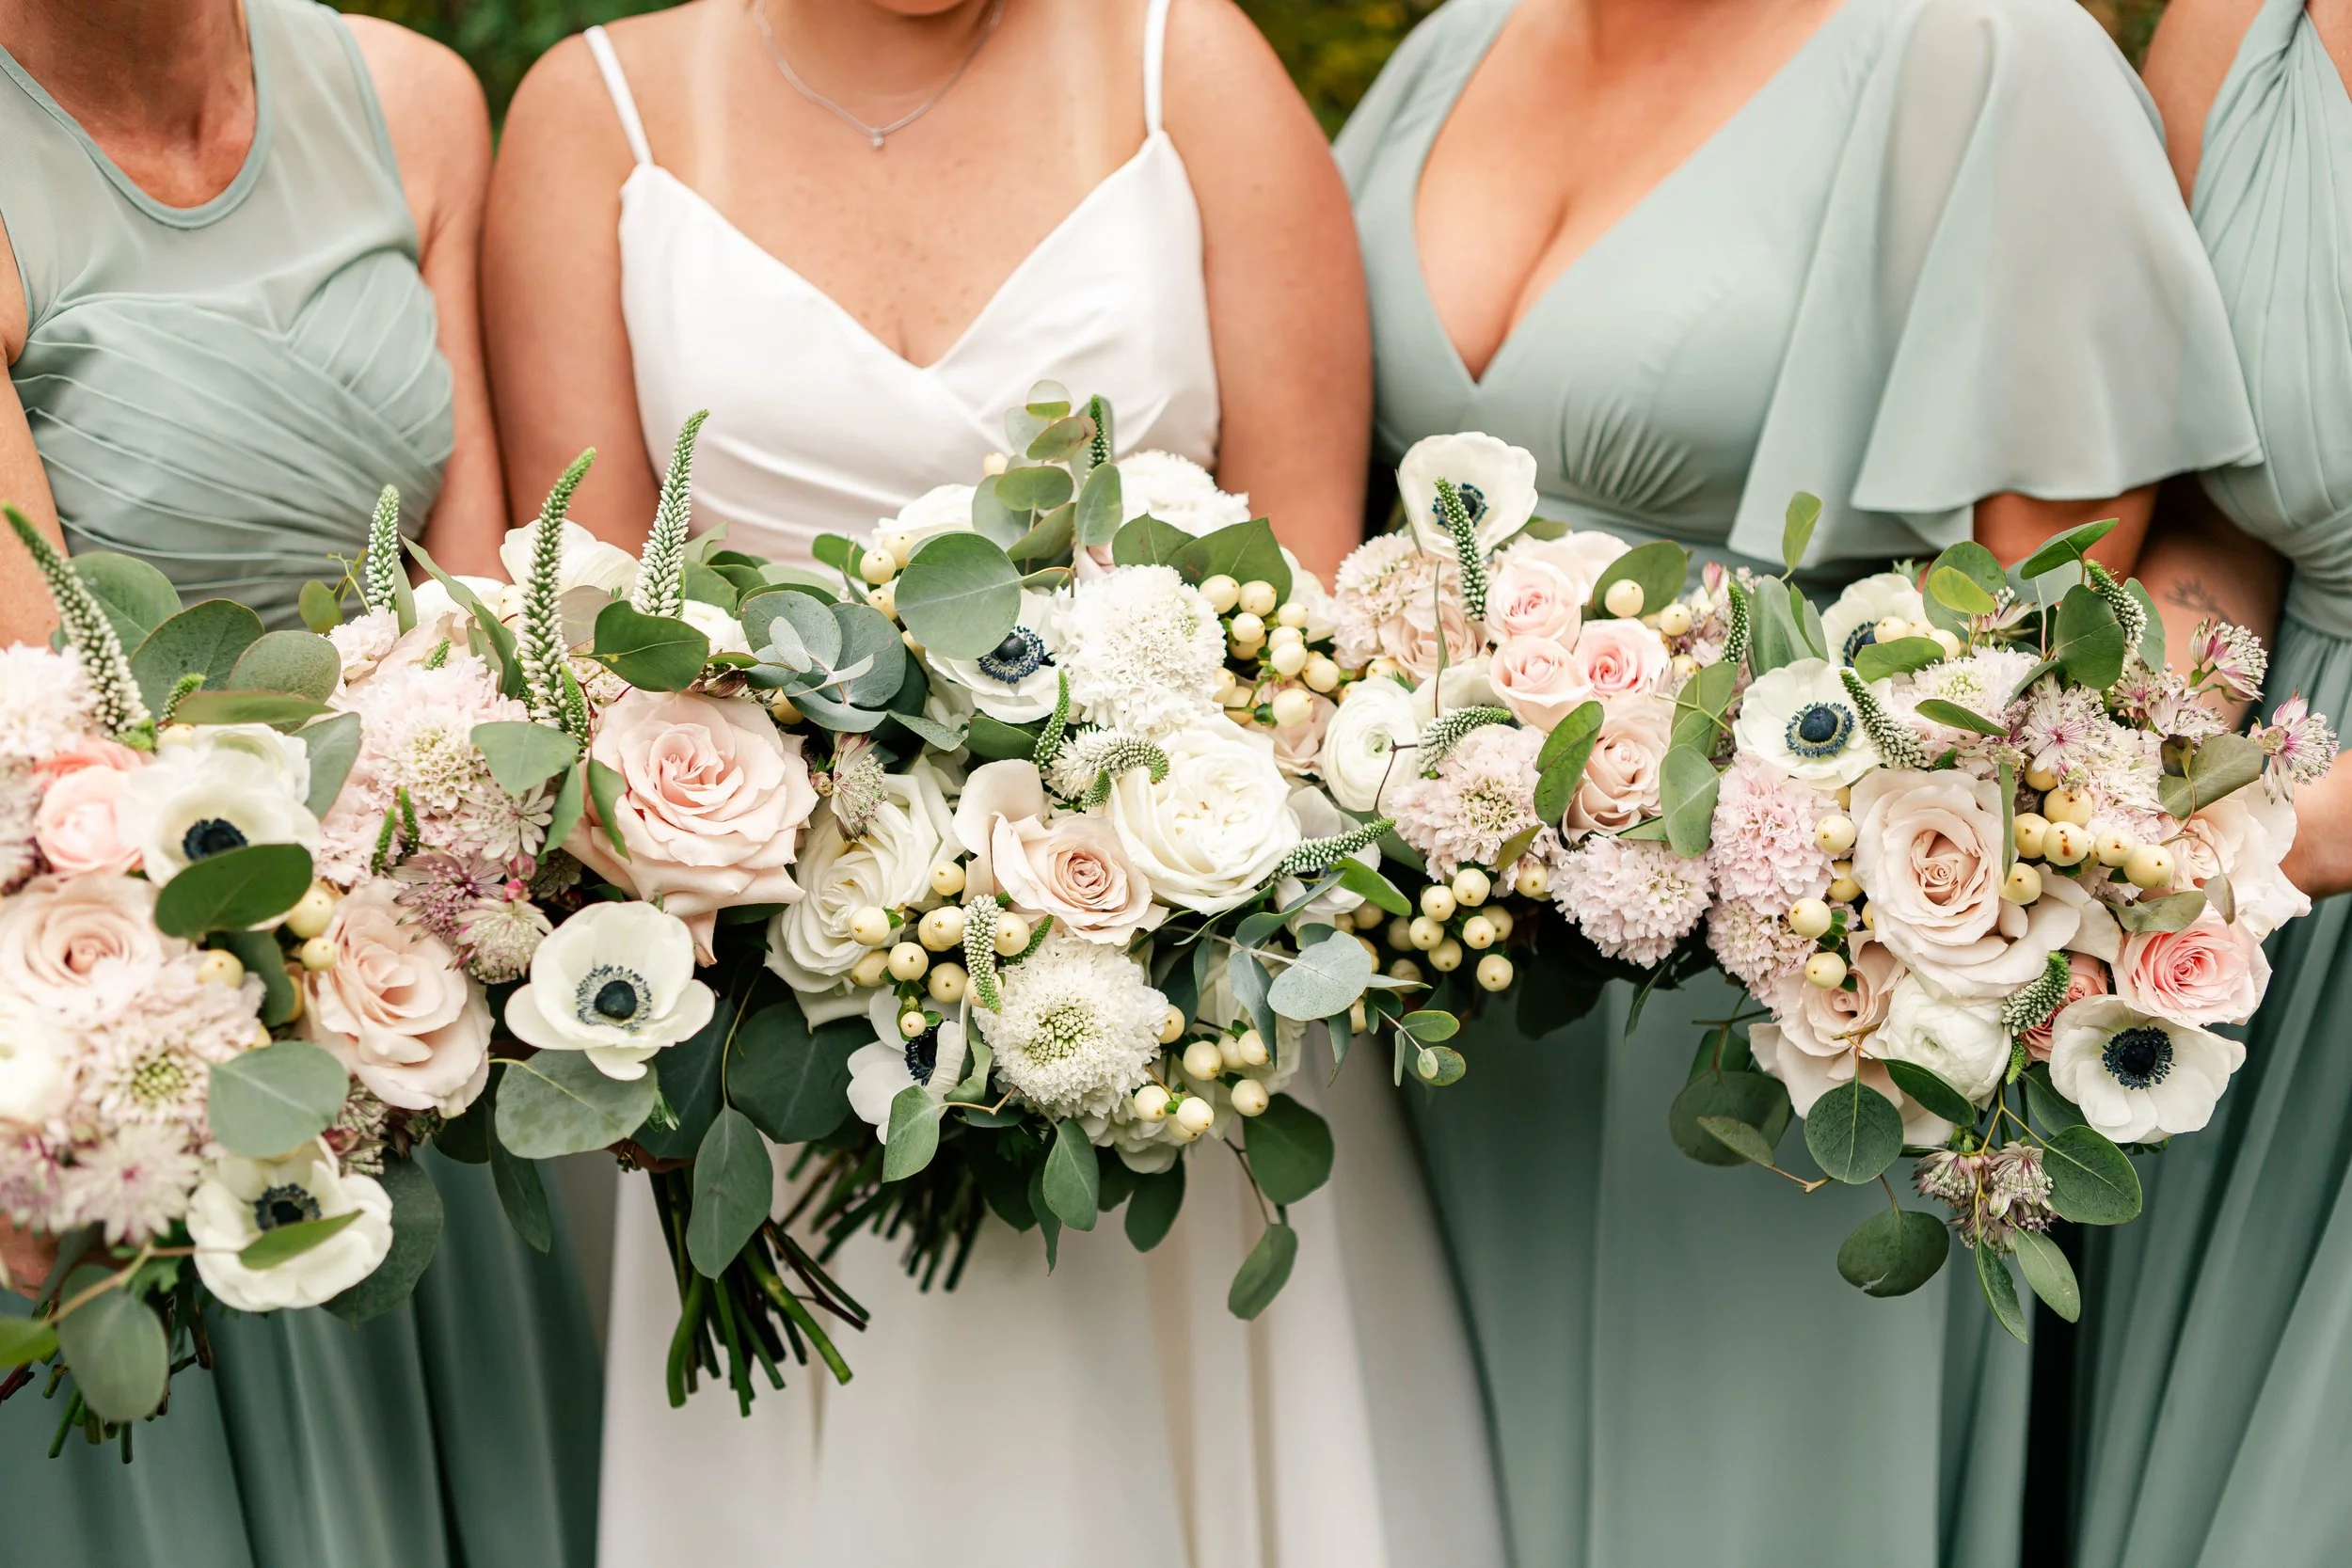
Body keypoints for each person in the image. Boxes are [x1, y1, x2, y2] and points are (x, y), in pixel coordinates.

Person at [483, 2, 1499, 1562]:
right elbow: (598, 646)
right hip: (791, 1049)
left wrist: (1130, 904)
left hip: (1185, 1039)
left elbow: (1317, 615)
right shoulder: (593, 113)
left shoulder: (1190, 62)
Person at [1335, 0, 2260, 1562]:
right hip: (1445, 1004)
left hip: (1769, 1037)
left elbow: (2045, 662)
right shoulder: (1460, 42)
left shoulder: (1988, 57)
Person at [0, 3, 599, 1564]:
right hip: (130, 1019)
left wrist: (443, 950)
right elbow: (40, 730)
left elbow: (483, 648)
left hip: (413, 1006)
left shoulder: (413, 102)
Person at [2065, 2, 2352, 1561]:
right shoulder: (2243, 28)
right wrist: (2156, 759)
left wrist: (2285, 837)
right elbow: (2231, 510)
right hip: (2264, 926)